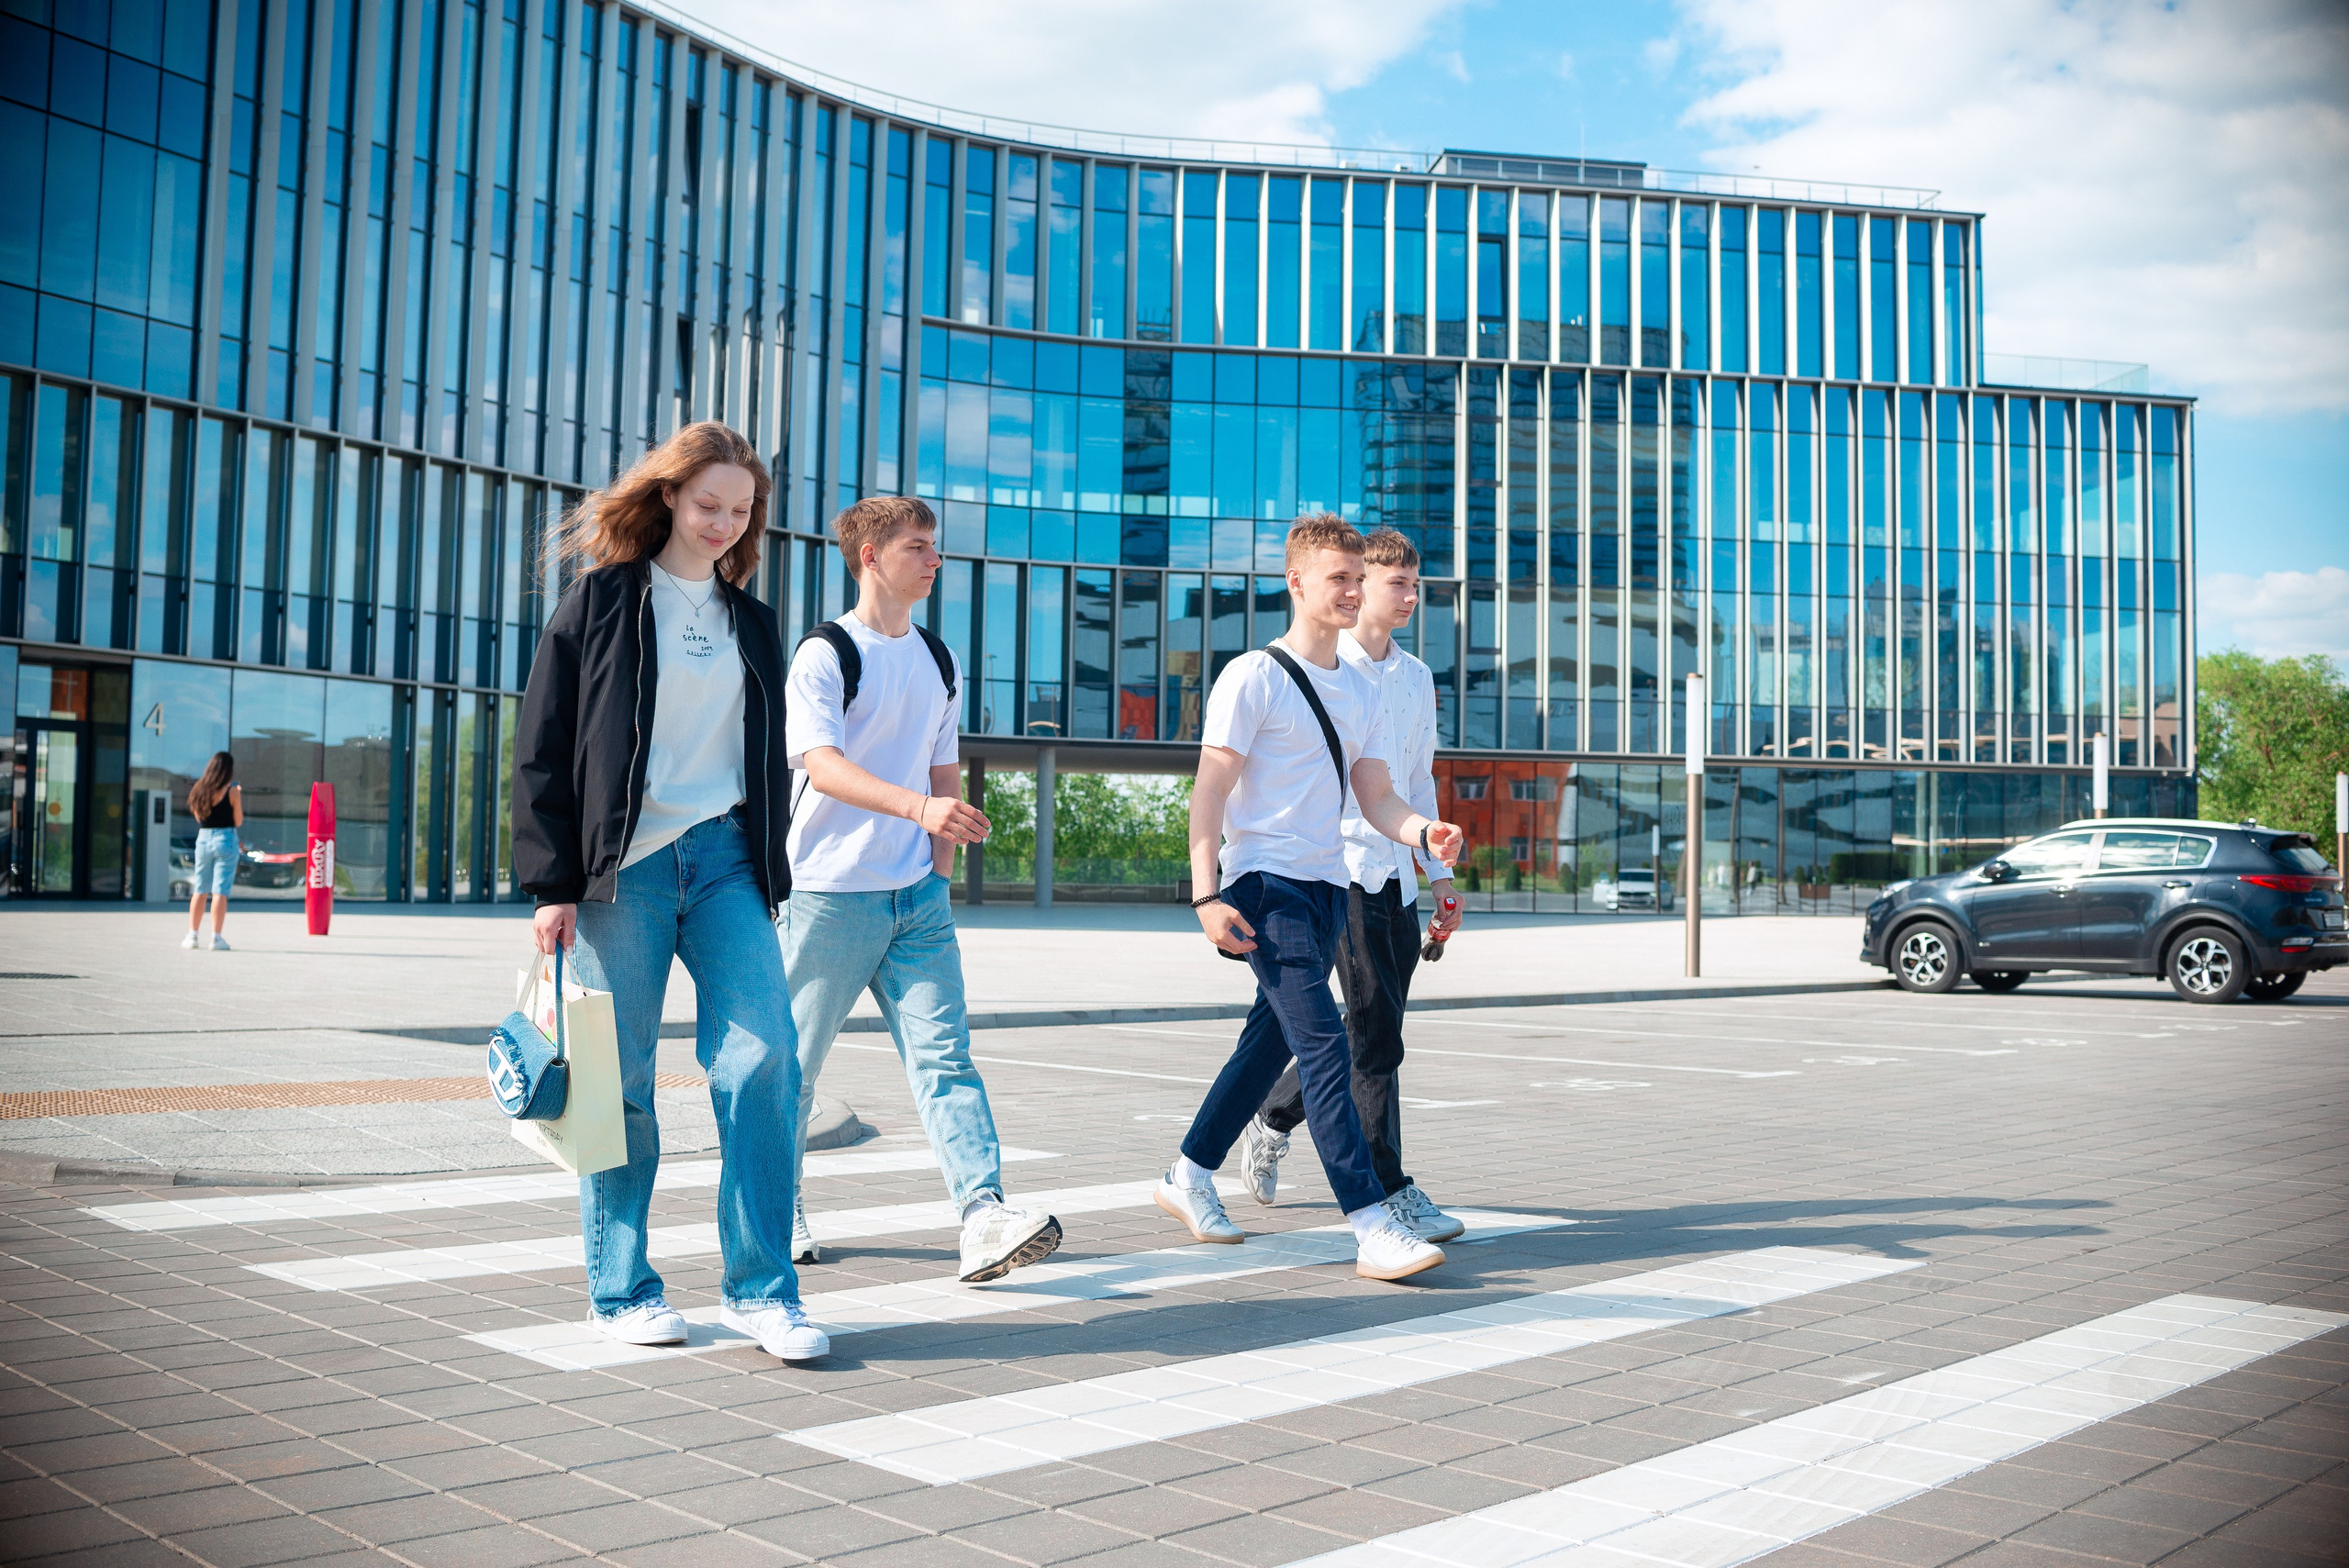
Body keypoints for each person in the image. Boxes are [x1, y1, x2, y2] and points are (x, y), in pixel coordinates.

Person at [512, 421, 826, 1365]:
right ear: (669, 498)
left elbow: (763, 757)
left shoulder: (753, 621)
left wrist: (771, 863)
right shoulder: (603, 600)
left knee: (765, 1061)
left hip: (727, 861)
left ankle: (762, 1291)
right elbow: (543, 745)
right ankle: (620, 1290)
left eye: (740, 509)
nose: (723, 522)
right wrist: (551, 881)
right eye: (707, 504)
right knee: (622, 1084)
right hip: (624, 871)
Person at [1158, 515, 1466, 1283]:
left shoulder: (1360, 687)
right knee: (1328, 1043)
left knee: (1268, 1047)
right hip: (1265, 888)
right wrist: (1205, 894)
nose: (1354, 590)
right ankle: (1371, 1219)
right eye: (1340, 578)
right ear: (1296, 582)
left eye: (1360, 577)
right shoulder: (1253, 675)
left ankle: (1188, 1173)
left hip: (1330, 887)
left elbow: (1376, 793)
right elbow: (1210, 790)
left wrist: (1424, 833)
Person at [781, 495, 1062, 1284]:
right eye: (918, 546)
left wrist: (936, 872)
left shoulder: (939, 658)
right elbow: (822, 765)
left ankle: (983, 1216)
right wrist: (919, 810)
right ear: (870, 556)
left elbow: (944, 773)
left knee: (947, 1060)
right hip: (828, 894)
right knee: (793, 1067)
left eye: (935, 545)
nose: (935, 559)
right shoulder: (826, 654)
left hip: (916, 901)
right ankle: (775, 1201)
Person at [1234, 528, 1464, 1240]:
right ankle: (1386, 1188)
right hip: (1342, 871)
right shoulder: (1331, 672)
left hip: (1398, 873)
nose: (1408, 596)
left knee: (1376, 1031)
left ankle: (1273, 1112)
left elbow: (1418, 780)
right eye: (1397, 583)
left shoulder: (1416, 677)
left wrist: (1439, 874)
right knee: (1371, 1037)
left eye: (1414, 585)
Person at [183, 752, 241, 951]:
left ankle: (192, 936)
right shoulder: (232, 792)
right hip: (225, 839)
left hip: (204, 839)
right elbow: (238, 821)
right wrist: (237, 794)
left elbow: (199, 818)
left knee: (200, 889)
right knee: (220, 891)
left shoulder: (199, 789)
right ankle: (216, 938)